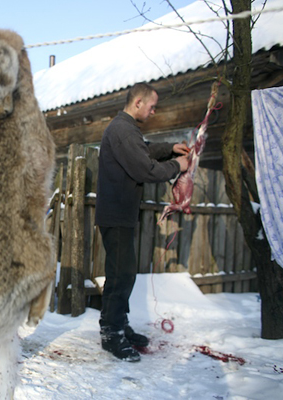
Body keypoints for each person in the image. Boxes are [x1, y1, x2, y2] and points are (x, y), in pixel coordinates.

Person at [95, 83, 190, 362]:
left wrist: (170, 148)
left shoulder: (125, 129)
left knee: (122, 273)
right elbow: (144, 168)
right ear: (138, 102)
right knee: (121, 275)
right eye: (151, 106)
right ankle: (112, 334)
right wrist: (178, 166)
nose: (153, 111)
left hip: (119, 214)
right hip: (116, 215)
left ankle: (117, 325)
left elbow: (144, 150)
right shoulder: (122, 129)